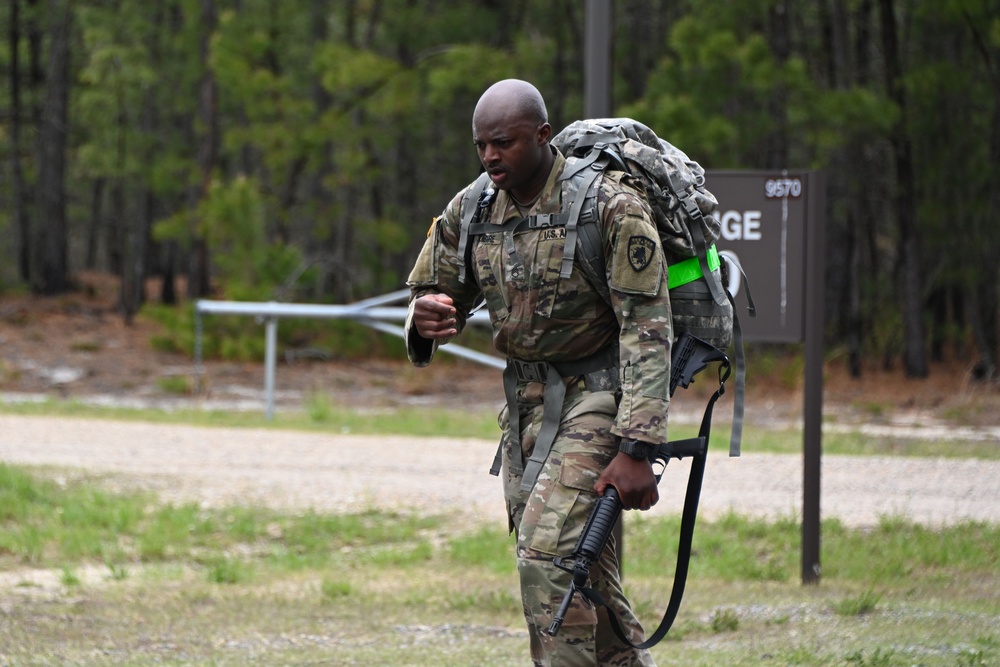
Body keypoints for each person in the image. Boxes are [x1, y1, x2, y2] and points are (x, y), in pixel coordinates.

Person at [405, 79, 671, 666]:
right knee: (582, 568)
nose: (490, 157)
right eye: (481, 146)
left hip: (602, 396)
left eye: (503, 143)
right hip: (526, 405)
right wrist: (423, 314)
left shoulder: (608, 206)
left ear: (543, 136)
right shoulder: (474, 205)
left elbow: (648, 329)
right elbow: (434, 284)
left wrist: (638, 447)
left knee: (547, 557)